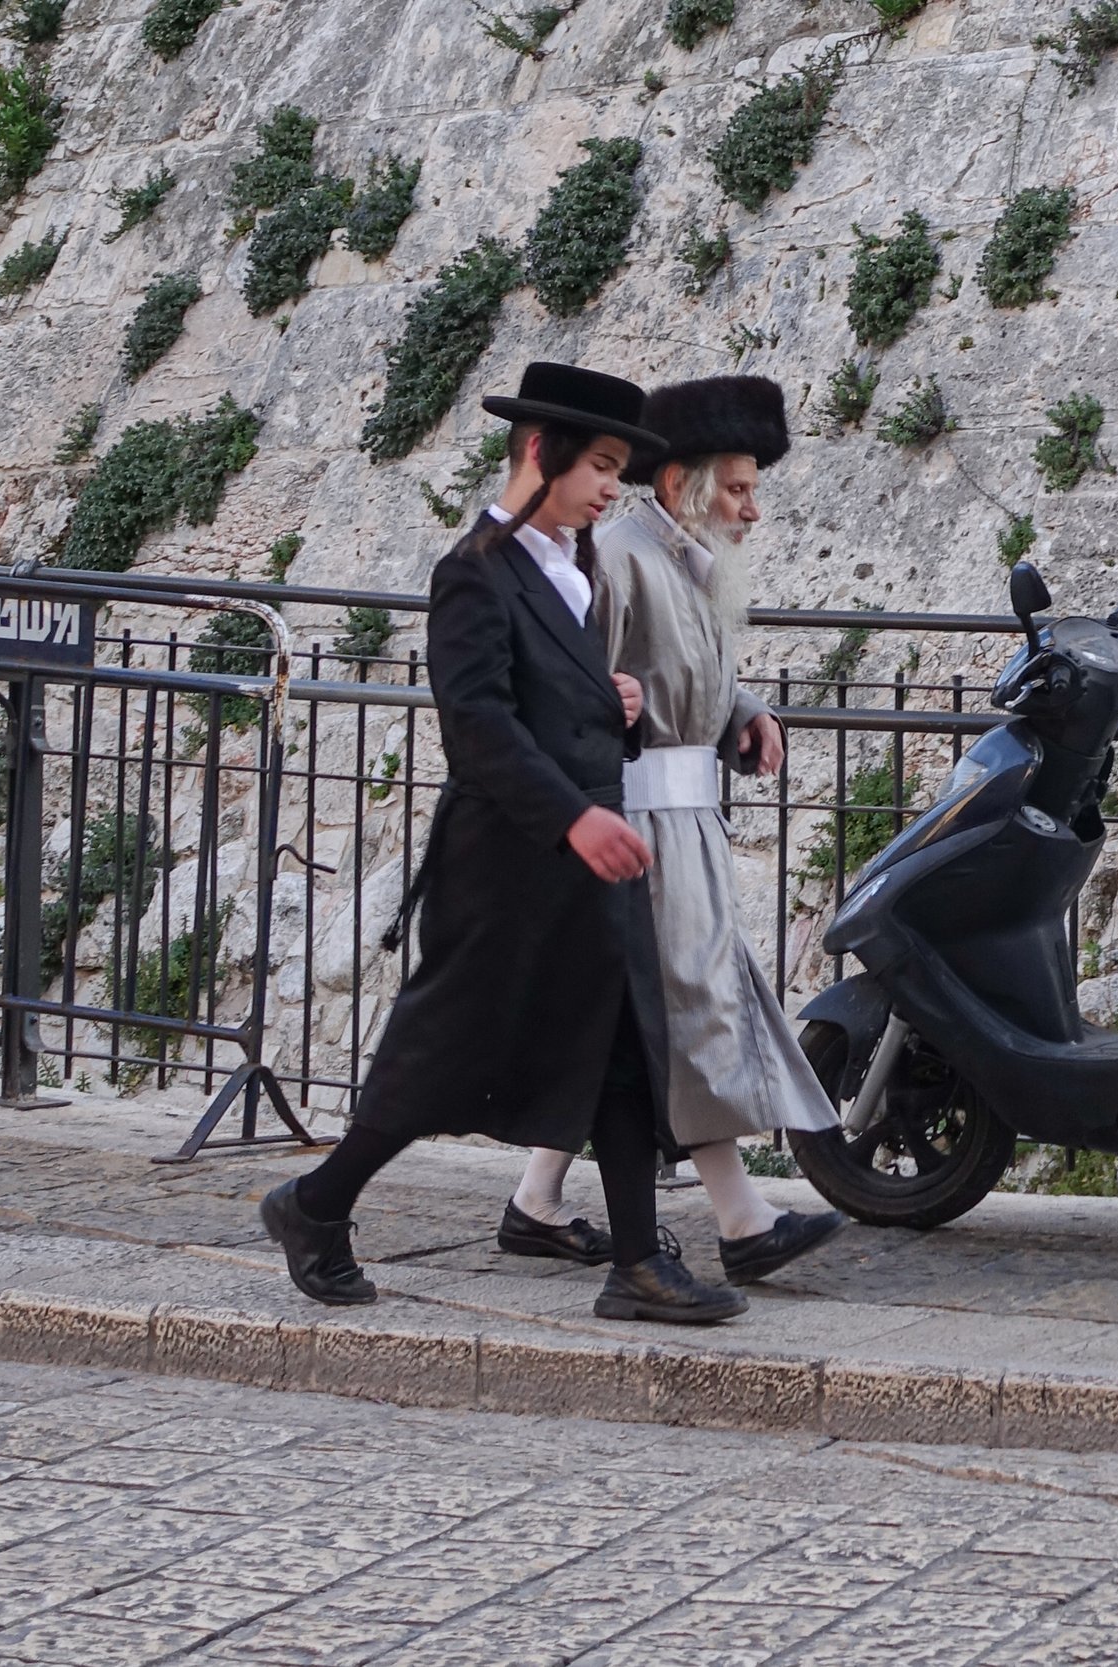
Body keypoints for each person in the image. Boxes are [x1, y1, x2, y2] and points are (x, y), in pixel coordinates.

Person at [261, 362, 746, 1325]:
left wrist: (624, 708)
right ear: (539, 451)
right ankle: (314, 1204)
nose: (613, 489)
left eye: (619, 470)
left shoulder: (580, 566)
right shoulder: (473, 571)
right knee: (438, 1056)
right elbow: (478, 725)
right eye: (602, 466)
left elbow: (556, 699)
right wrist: (574, 814)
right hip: (508, 863)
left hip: (588, 851)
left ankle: (640, 1264)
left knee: (620, 1047)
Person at [498, 375, 846, 1287]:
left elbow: (688, 676)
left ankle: (536, 1201)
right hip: (634, 822)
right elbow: (567, 688)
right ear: (683, 482)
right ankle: (741, 1218)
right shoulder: (618, 555)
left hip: (685, 819)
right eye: (737, 488)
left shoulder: (685, 561)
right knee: (691, 1004)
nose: (752, 509)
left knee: (633, 1018)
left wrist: (744, 711)